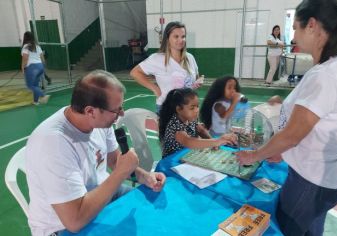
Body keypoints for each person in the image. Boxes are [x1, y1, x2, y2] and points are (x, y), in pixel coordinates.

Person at [237, 0, 337, 235]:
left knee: (288, 228)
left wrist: (255, 155)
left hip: (310, 182)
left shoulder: (326, 74)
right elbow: (317, 122)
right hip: (329, 176)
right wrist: (282, 146)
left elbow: (292, 135)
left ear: (311, 25)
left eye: (296, 27)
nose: (293, 34)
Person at [25, 70, 166, 235]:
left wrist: (145, 177)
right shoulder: (53, 144)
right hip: (61, 226)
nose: (121, 113)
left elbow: (114, 160)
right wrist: (120, 173)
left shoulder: (97, 122)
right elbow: (74, 221)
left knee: (151, 209)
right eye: (116, 110)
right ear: (90, 111)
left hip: (100, 193)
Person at [130, 21, 204, 113]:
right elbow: (135, 72)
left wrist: (197, 82)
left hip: (188, 108)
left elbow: (195, 78)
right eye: (176, 36)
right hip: (167, 108)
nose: (181, 40)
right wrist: (155, 89)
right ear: (167, 38)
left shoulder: (190, 57)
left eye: (183, 36)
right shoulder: (157, 58)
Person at [159, 88, 237, 158]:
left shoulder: (190, 118)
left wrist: (211, 140)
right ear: (179, 109)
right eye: (192, 108)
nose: (196, 110)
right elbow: (188, 141)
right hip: (172, 161)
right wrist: (217, 141)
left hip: (188, 155)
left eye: (197, 106)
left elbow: (200, 130)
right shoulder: (175, 125)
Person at [21, 31, 50, 105]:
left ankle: (43, 95)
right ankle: (36, 101)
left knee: (30, 85)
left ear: (25, 38)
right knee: (35, 85)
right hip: (40, 66)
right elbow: (42, 58)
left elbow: (25, 58)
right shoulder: (37, 46)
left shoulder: (26, 46)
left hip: (32, 67)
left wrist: (22, 67)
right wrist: (43, 67)